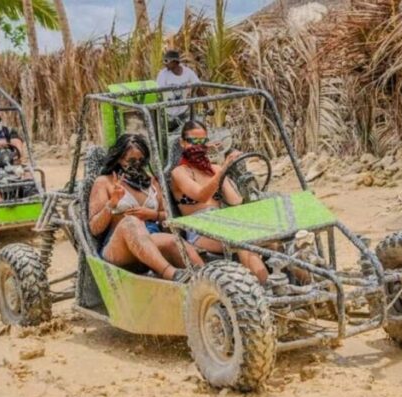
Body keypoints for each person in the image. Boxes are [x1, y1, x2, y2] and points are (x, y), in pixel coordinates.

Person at [88, 133, 204, 281]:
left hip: (150, 239)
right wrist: (112, 203)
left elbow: (168, 216)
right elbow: (94, 228)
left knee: (174, 242)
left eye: (140, 160)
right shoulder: (104, 182)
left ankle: (211, 281)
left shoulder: (151, 181)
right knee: (131, 222)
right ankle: (172, 273)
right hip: (119, 248)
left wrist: (152, 215)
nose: (136, 164)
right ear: (119, 159)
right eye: (131, 160)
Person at [170, 120, 269, 283]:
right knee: (241, 241)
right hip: (199, 228)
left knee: (275, 238)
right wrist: (222, 170)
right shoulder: (179, 173)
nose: (197, 146)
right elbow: (201, 195)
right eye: (192, 142)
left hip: (224, 221)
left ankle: (308, 285)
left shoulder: (214, 169)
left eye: (201, 141)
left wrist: (238, 182)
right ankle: (266, 289)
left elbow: (235, 202)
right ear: (182, 143)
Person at [155, 50, 205, 131]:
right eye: (164, 61)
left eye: (166, 61)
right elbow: (157, 93)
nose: (164, 63)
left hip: (183, 113)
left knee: (186, 135)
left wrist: (207, 106)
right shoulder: (163, 74)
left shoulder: (188, 72)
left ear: (175, 62)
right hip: (167, 114)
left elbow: (198, 88)